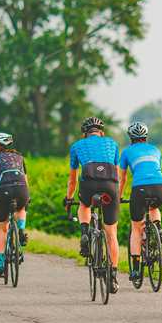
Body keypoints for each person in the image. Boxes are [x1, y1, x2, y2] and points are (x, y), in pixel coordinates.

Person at [65, 116, 120, 294]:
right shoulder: (112, 143)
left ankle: (84, 233)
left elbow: (73, 179)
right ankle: (113, 276)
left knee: (84, 205)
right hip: (110, 186)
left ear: (84, 135)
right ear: (101, 133)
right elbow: (117, 173)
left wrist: (68, 197)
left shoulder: (76, 146)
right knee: (111, 233)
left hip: (88, 184)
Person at [118, 121, 162, 281]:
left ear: (130, 137)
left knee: (136, 228)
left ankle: (136, 269)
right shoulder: (155, 150)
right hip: (161, 187)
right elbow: (156, 168)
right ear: (146, 136)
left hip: (140, 189)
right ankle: (158, 229)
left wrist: (119, 196)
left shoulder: (126, 152)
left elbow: (122, 177)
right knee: (154, 207)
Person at [0, 132, 30, 278]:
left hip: (3, 191)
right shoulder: (20, 157)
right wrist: (27, 197)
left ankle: (0, 265)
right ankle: (21, 230)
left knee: (2, 227)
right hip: (22, 189)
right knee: (22, 208)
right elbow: (26, 180)